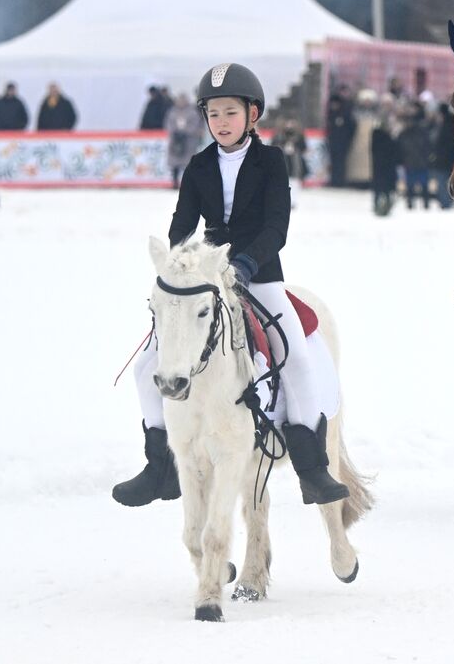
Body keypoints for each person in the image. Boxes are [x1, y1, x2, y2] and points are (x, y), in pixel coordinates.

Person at [113, 63, 349, 508]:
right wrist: (181, 264)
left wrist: (244, 262)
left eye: (230, 113)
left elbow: (277, 225)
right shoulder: (198, 166)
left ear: (252, 115)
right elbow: (182, 226)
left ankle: (310, 465)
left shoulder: (271, 161)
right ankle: (159, 465)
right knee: (147, 368)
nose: (221, 123)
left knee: (295, 356)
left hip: (259, 274)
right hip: (207, 280)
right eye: (214, 114)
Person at [164, 92, 202, 188]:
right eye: (179, 100)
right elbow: (168, 124)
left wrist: (186, 131)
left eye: (182, 100)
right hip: (175, 141)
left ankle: (188, 183)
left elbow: (195, 124)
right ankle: (175, 182)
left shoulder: (192, 112)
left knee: (188, 163)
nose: (181, 102)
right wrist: (175, 132)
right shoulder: (172, 111)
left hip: (188, 141)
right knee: (174, 164)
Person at [324, 84, 355, 188]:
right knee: (333, 161)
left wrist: (348, 139)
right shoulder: (331, 114)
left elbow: (351, 127)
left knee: (341, 162)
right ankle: (334, 180)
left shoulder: (346, 111)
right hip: (333, 141)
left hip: (343, 141)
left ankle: (340, 181)